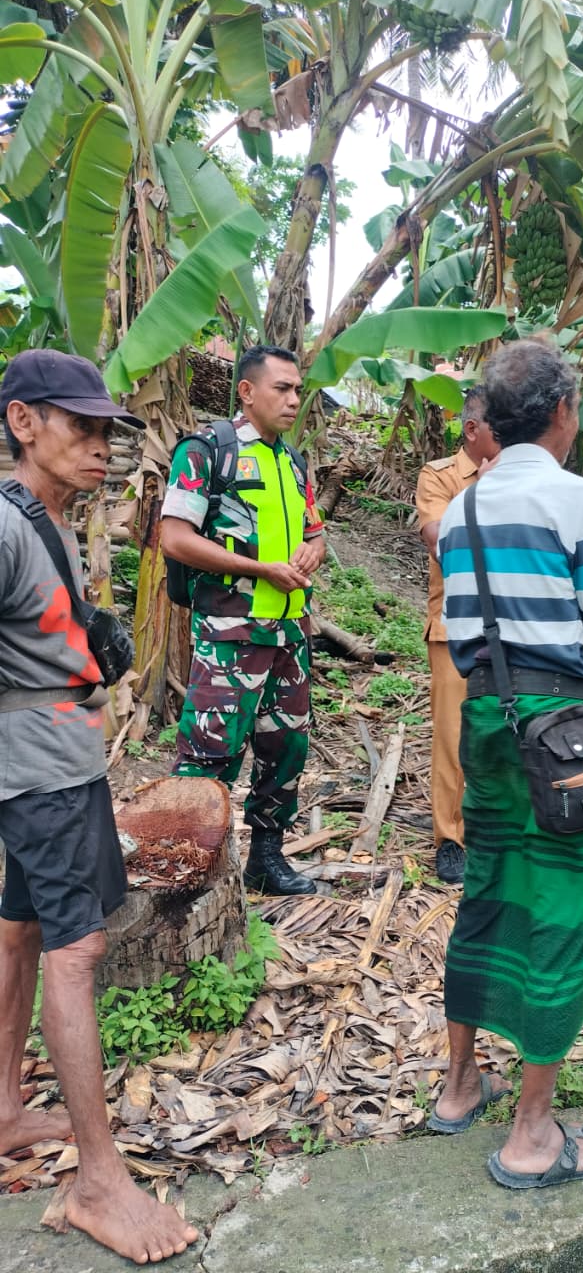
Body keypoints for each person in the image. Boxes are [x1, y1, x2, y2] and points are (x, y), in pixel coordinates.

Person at [0, 349, 199, 1263]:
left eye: (106, 431)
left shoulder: (50, 521)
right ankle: (98, 1181)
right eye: (80, 427)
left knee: (21, 931)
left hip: (56, 763)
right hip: (38, 774)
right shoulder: (8, 527)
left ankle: (6, 1110)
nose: (100, 446)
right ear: (23, 422)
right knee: (76, 951)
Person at [430, 338, 583, 1189]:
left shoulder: (461, 511)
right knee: (565, 908)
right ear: (560, 411)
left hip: (485, 719)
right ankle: (532, 1133)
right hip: (561, 728)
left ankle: (457, 1086)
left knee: (487, 888)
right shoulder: (576, 497)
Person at [160, 345, 326, 896]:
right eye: (283, 388)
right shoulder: (207, 451)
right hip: (230, 631)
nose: (294, 399)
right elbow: (175, 538)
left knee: (285, 748)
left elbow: (316, 533)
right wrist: (259, 569)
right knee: (211, 750)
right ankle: (187, 873)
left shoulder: (292, 461)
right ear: (248, 392)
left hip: (290, 631)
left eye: (298, 389)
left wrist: (311, 552)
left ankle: (265, 858)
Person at [415, 387, 500, 883]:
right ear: (472, 430)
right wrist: (481, 491)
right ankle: (450, 838)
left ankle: (495, 831)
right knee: (453, 738)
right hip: (455, 628)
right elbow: (440, 540)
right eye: (500, 428)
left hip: (513, 627)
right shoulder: (440, 476)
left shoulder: (521, 478)